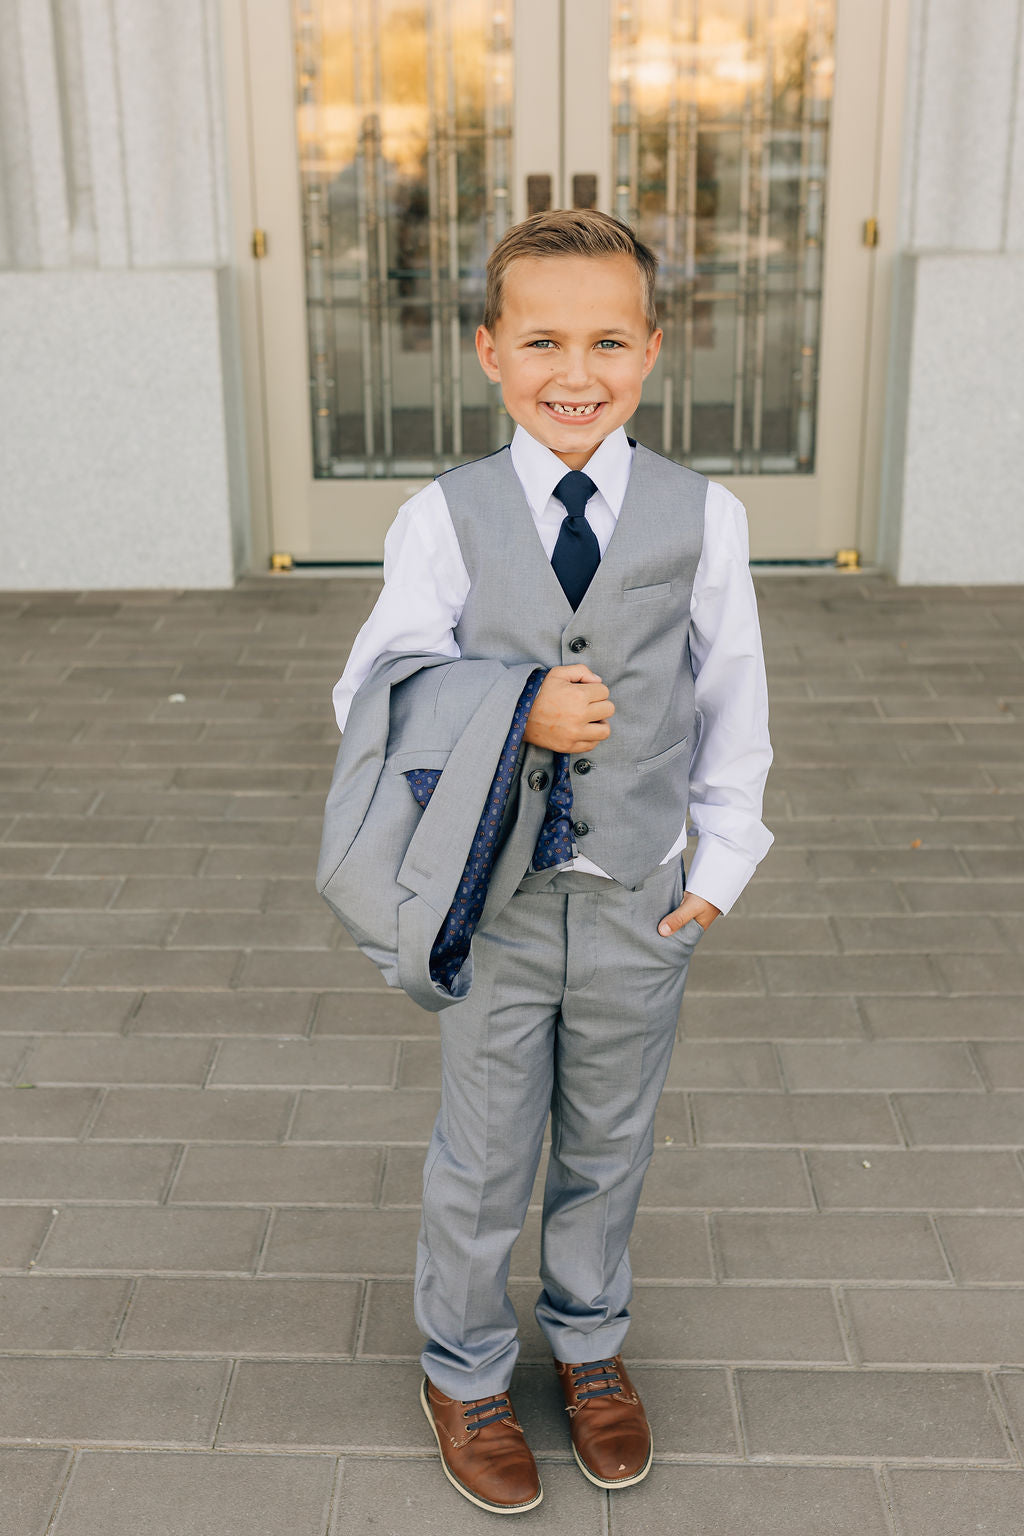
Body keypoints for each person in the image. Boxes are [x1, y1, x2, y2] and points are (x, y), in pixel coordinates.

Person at [332, 209, 773, 1515]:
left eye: (604, 341)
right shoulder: (445, 517)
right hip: (500, 902)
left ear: (650, 350)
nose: (572, 371)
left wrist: (722, 865)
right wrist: (511, 703)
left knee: (608, 1138)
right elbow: (372, 691)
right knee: (482, 1146)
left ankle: (588, 1345)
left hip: (642, 897)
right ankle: (465, 1368)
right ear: (487, 351)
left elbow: (733, 694)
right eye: (540, 340)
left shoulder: (707, 515)